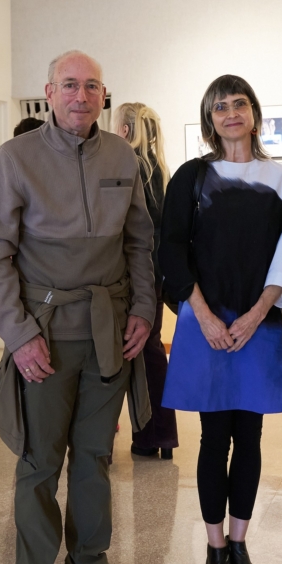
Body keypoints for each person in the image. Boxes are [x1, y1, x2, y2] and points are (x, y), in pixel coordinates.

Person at [0, 50, 156, 564]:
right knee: (39, 461)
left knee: (96, 454)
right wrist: (19, 334)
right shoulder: (16, 158)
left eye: (92, 86)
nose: (81, 95)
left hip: (109, 333)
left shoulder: (122, 156)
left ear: (104, 96)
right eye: (70, 85)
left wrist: (144, 310)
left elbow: (139, 244)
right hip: (45, 335)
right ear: (49, 92)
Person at [160, 75, 282, 564]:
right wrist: (204, 317)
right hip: (206, 323)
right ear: (209, 120)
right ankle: (215, 551)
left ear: (255, 114)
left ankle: (240, 548)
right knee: (214, 438)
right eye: (219, 107)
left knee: (251, 436)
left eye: (239, 103)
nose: (231, 113)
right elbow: (171, 249)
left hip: (258, 324)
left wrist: (257, 314)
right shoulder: (192, 176)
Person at [113, 102, 178, 459]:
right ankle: (159, 436)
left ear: (123, 130)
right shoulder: (160, 170)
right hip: (155, 278)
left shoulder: (125, 166)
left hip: (129, 278)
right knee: (152, 353)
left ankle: (107, 440)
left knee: (116, 355)